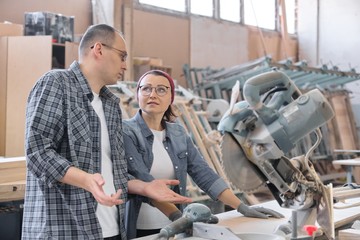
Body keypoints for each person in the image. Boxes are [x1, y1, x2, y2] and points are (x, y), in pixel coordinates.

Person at [22, 24, 191, 240]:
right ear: (99, 49)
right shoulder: (56, 84)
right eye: (122, 56)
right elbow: (37, 153)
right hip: (64, 229)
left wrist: (145, 187)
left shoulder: (110, 105)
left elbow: (115, 171)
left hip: (110, 229)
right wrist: (85, 179)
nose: (124, 65)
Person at [122, 70, 285, 239]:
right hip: (141, 226)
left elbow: (202, 172)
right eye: (146, 89)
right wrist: (179, 218)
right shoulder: (127, 131)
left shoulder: (177, 132)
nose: (153, 94)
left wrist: (242, 207)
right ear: (138, 94)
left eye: (161, 89)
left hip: (174, 225)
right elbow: (145, 183)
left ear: (171, 97)